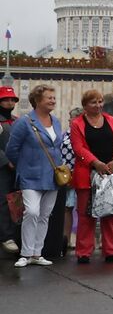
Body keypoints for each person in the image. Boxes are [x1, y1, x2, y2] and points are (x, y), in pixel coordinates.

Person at [6, 84, 65, 268]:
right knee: (31, 212)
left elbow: (57, 146)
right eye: (49, 98)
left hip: (52, 175)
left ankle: (37, 253)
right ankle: (25, 253)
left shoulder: (55, 121)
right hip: (30, 175)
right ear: (38, 100)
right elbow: (11, 149)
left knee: (45, 215)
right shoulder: (24, 122)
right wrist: (24, 165)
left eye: (54, 98)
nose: (53, 101)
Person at [68, 90, 113, 265]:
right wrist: (96, 163)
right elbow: (78, 149)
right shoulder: (77, 124)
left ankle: (111, 251)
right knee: (86, 214)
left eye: (100, 101)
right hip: (88, 173)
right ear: (85, 105)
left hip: (111, 172)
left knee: (110, 213)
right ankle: (84, 252)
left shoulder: (112, 120)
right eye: (94, 102)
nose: (98, 105)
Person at [0, 84, 20, 255]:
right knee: (3, 202)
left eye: (12, 99)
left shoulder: (17, 120)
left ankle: (14, 235)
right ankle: (6, 237)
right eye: (5, 99)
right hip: (2, 168)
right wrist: (6, 161)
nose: (9, 102)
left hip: (17, 168)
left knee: (16, 202)